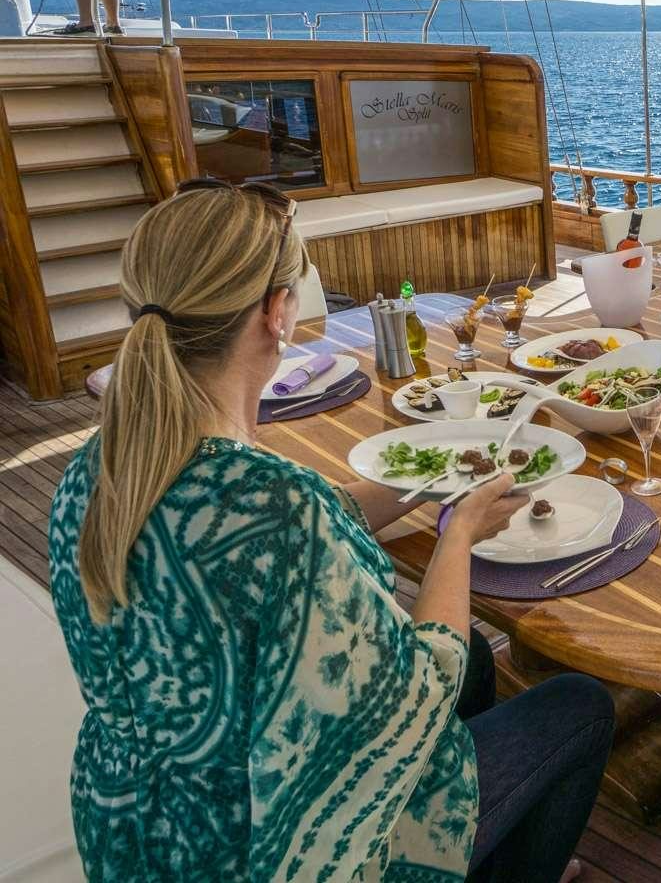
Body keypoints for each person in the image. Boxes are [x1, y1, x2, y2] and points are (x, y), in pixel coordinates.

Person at [47, 181, 613, 881]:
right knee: (578, 706)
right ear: (276, 314)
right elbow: (421, 683)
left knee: (475, 648)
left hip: (138, 828)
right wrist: (458, 534)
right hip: (271, 846)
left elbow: (295, 528)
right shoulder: (278, 508)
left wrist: (444, 467)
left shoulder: (99, 469)